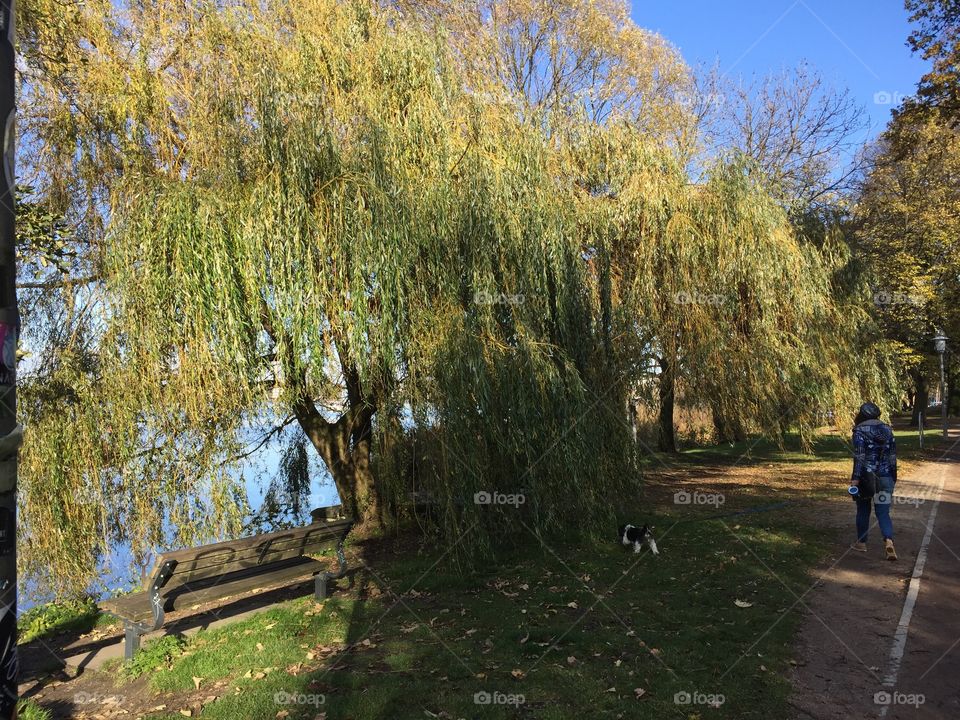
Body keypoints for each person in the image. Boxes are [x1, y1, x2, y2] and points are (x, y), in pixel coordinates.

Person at [849, 402, 898, 560]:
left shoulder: (859, 431)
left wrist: (855, 479)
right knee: (883, 512)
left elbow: (860, 458)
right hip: (885, 477)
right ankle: (888, 540)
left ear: (861, 415)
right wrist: (893, 477)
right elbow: (892, 457)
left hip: (865, 479)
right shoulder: (888, 430)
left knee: (863, 510)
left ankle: (862, 543)